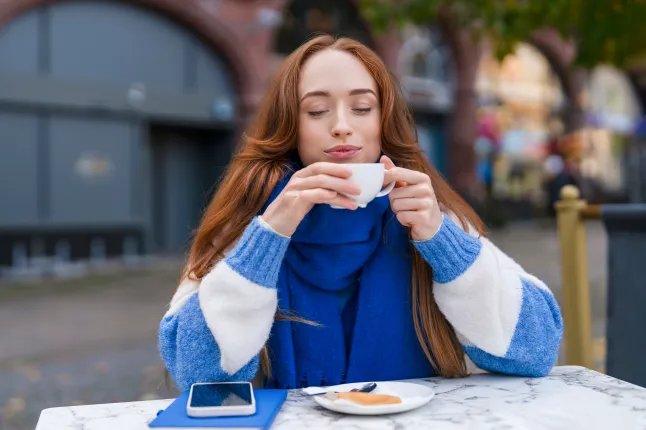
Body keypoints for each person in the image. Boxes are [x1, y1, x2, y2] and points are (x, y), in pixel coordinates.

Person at [159, 35, 563, 391]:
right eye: (316, 111)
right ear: (290, 126)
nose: (341, 126)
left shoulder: (429, 216)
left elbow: (535, 351)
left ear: (383, 120)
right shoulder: (247, 225)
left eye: (362, 107)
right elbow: (200, 376)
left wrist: (442, 241)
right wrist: (270, 232)